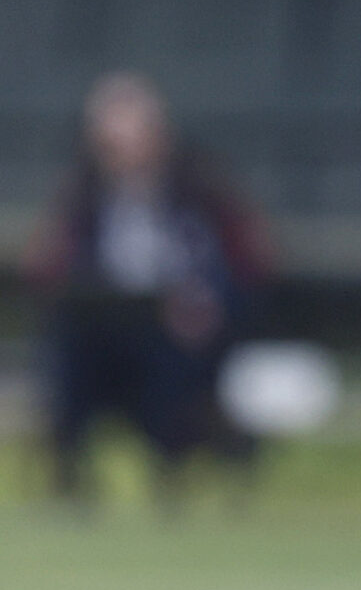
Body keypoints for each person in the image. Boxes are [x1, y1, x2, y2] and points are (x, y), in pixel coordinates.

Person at [27, 71, 271, 508]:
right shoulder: (84, 195)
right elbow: (53, 265)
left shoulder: (197, 186)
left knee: (176, 358)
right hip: (104, 326)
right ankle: (69, 475)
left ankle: (172, 471)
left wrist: (205, 303)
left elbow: (245, 258)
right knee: (68, 348)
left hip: (174, 328)